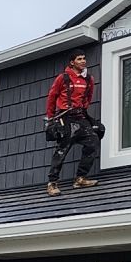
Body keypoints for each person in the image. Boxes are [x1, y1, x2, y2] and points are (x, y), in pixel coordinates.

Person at [45, 50, 101, 196]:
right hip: (65, 116)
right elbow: (52, 97)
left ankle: (80, 178)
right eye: (79, 59)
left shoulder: (88, 79)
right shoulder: (62, 78)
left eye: (84, 58)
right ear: (72, 62)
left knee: (93, 141)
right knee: (63, 148)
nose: (83, 61)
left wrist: (82, 110)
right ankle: (52, 183)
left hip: (80, 116)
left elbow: (88, 98)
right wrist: (51, 118)